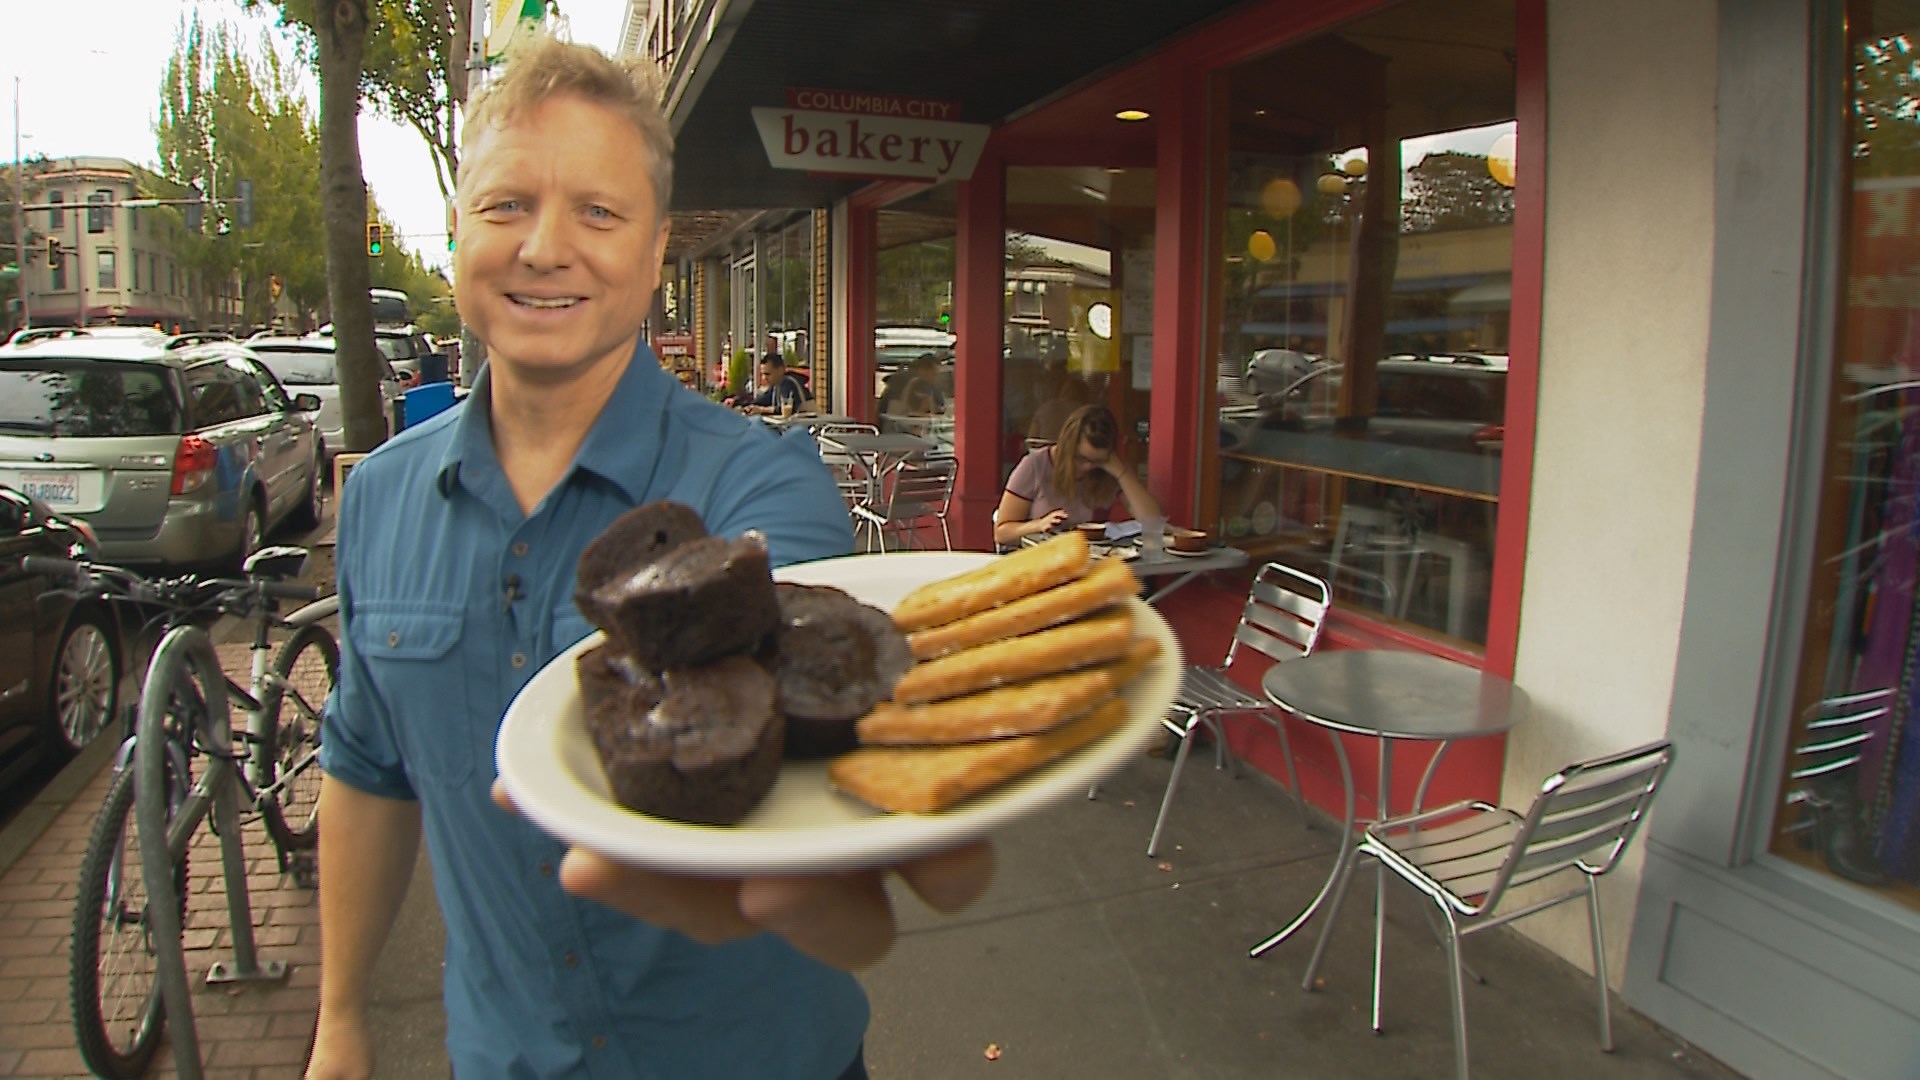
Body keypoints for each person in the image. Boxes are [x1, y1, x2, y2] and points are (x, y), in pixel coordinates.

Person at [305, 35, 992, 1080]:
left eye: (597, 211)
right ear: (455, 234)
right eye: (504, 206)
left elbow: (811, 760)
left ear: (657, 249)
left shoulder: (762, 496)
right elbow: (366, 772)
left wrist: (838, 873)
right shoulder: (380, 503)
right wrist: (342, 1020)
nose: (544, 247)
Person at [993, 404, 1162, 548]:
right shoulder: (1035, 465)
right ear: (1067, 446)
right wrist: (1039, 525)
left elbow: (1153, 521)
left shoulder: (1111, 470)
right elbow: (1001, 533)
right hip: (1041, 562)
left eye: (1097, 461)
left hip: (1088, 565)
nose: (1087, 467)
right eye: (1080, 458)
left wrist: (1121, 473)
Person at [876, 353, 945, 423]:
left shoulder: (922, 383)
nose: (936, 378)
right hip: (898, 426)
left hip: (892, 423)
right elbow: (923, 407)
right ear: (923, 370)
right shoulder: (912, 382)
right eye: (934, 374)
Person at [742, 351, 813, 416]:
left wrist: (761, 410)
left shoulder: (788, 382)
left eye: (767, 374)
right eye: (762, 374)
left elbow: (787, 408)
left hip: (806, 426)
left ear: (780, 370)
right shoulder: (775, 386)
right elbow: (761, 401)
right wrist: (744, 407)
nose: (764, 378)